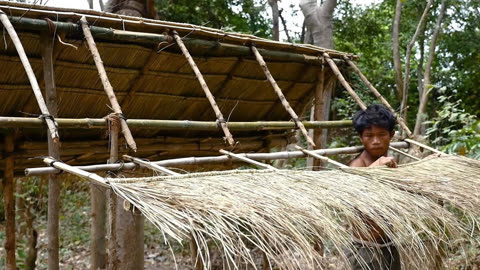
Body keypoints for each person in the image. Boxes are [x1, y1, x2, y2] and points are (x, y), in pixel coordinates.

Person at [347, 104, 402, 270]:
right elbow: (352, 195)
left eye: (381, 134)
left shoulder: (389, 164)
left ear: (391, 135)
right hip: (366, 249)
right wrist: (374, 169)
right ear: (361, 137)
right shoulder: (357, 166)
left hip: (388, 245)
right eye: (369, 135)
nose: (376, 141)